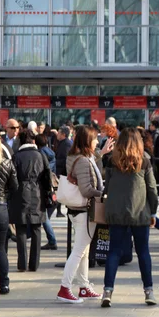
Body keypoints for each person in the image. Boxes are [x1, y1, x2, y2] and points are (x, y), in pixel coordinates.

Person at [102, 128, 159, 308]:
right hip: (140, 212)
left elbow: (107, 186)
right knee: (143, 252)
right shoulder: (144, 161)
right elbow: (152, 189)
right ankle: (148, 291)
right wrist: (154, 212)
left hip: (116, 212)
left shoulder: (112, 161)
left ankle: (107, 291)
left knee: (114, 252)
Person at [56, 126, 112, 304]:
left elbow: (90, 163)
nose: (97, 141)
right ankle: (65, 288)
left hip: (78, 211)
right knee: (79, 251)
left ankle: (84, 286)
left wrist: (101, 153)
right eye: (95, 139)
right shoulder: (82, 160)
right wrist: (103, 194)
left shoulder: (79, 157)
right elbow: (86, 189)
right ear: (88, 141)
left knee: (84, 251)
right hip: (84, 212)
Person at [9, 130, 52, 273]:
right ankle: (34, 264)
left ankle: (22, 264)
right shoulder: (41, 155)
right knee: (36, 229)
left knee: (20, 229)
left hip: (20, 193)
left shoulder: (16, 156)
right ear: (33, 140)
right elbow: (47, 177)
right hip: (38, 193)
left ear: (20, 141)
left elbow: (12, 178)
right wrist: (48, 194)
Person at [0, 134, 18, 295]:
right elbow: (15, 187)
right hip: (0, 207)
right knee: (0, 247)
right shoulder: (7, 163)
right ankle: (4, 283)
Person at [35, 134, 58, 251]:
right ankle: (51, 240)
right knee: (44, 216)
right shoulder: (51, 152)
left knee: (44, 217)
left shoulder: (40, 154)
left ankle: (52, 240)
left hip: (44, 188)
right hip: (52, 187)